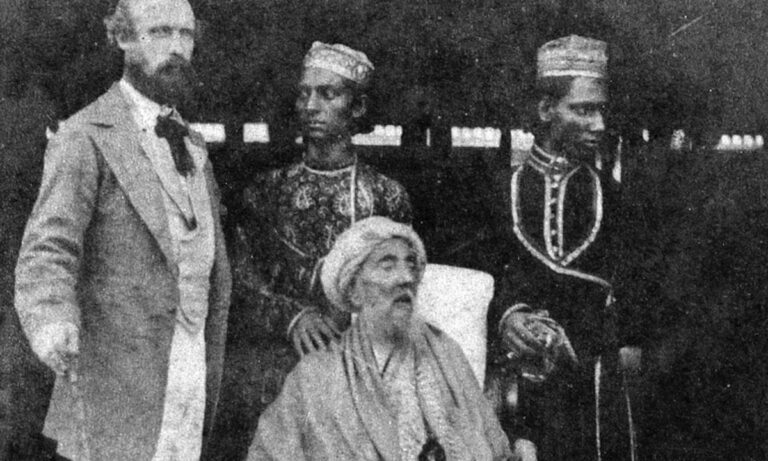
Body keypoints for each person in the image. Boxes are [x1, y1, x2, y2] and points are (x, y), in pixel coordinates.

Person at [13, 0, 231, 458]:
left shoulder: (193, 144)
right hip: (115, 382)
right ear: (123, 38)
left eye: (186, 34)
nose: (177, 48)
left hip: (191, 368)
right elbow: (48, 249)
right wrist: (52, 319)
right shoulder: (84, 135)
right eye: (160, 32)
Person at [209, 42, 412, 459]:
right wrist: (294, 318)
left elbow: (399, 290)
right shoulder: (266, 191)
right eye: (304, 94)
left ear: (357, 108)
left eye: (327, 94)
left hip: (358, 364)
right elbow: (238, 282)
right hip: (274, 362)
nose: (311, 106)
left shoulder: (386, 196)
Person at [477, 35, 650, 460]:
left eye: (601, 111)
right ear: (545, 110)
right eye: (583, 110)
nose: (599, 125)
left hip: (592, 389)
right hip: (513, 384)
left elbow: (638, 304)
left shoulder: (617, 199)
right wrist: (507, 317)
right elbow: (473, 285)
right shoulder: (497, 193)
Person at [248, 216, 513, 460]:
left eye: (411, 265)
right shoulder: (316, 375)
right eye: (387, 266)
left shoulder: (445, 350)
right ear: (354, 291)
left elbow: (494, 446)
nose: (406, 278)